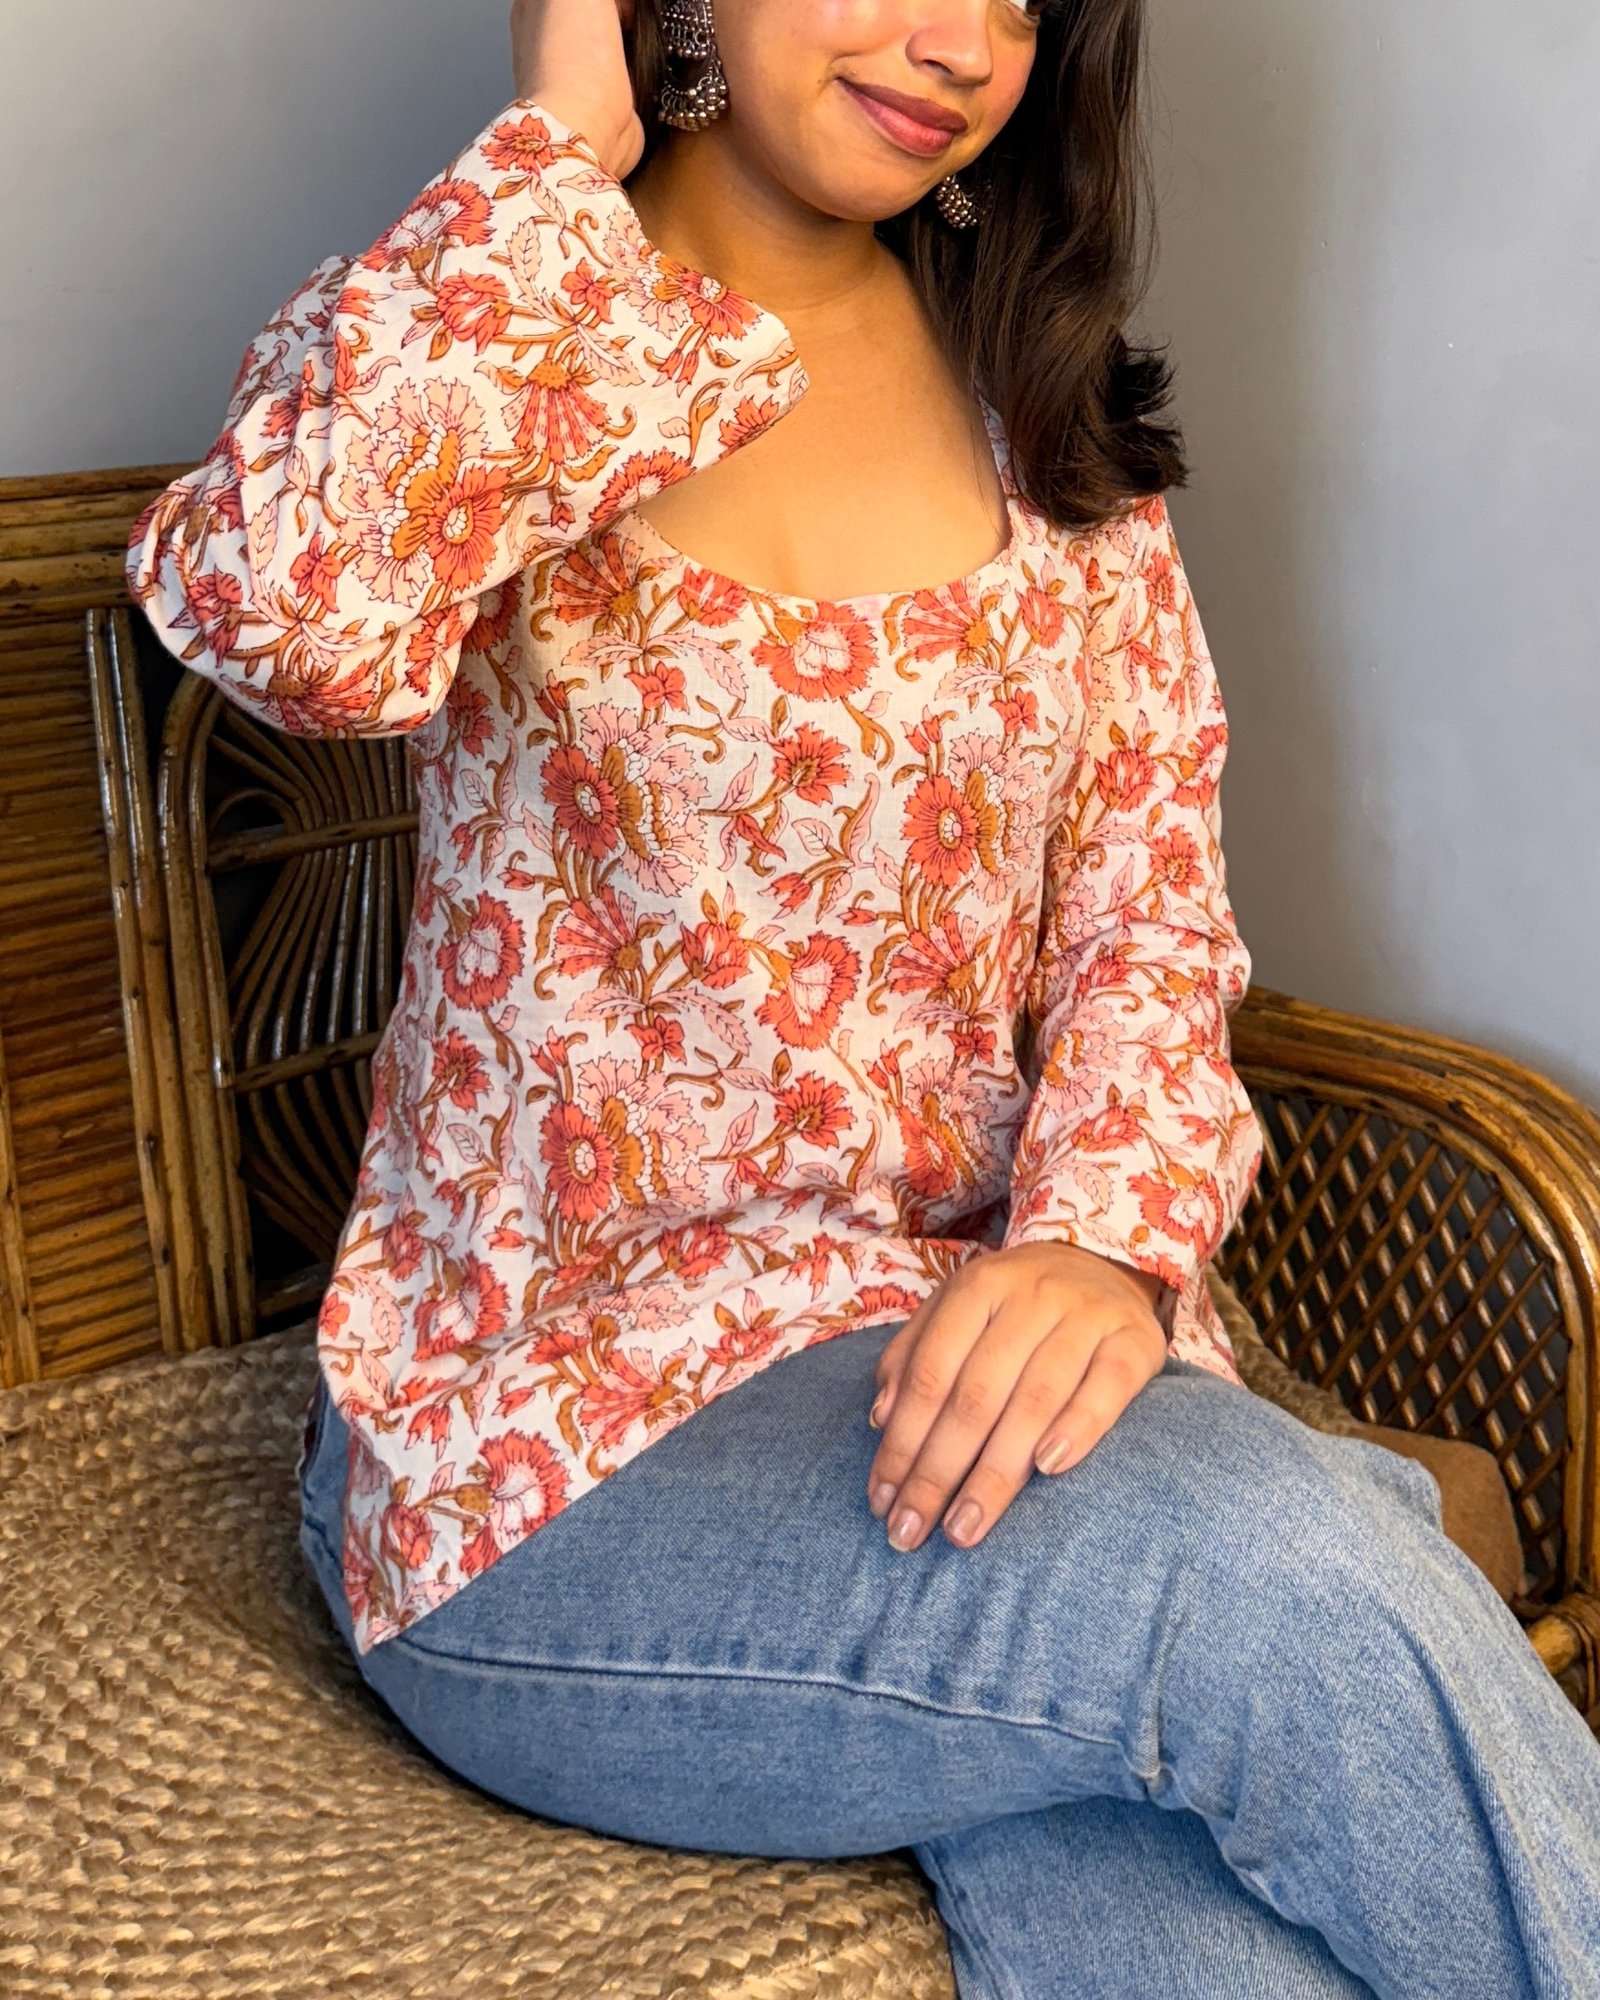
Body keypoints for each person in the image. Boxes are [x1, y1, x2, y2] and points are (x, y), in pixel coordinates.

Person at [126, 1, 1600, 1993]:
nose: (961, 43)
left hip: (989, 1383)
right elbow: (267, 608)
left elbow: (1145, 927)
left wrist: (1102, 1246)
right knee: (1291, 1569)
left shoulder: (1039, 418)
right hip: (553, 1455)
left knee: (1203, 1925)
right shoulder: (524, 323)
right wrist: (562, 141)